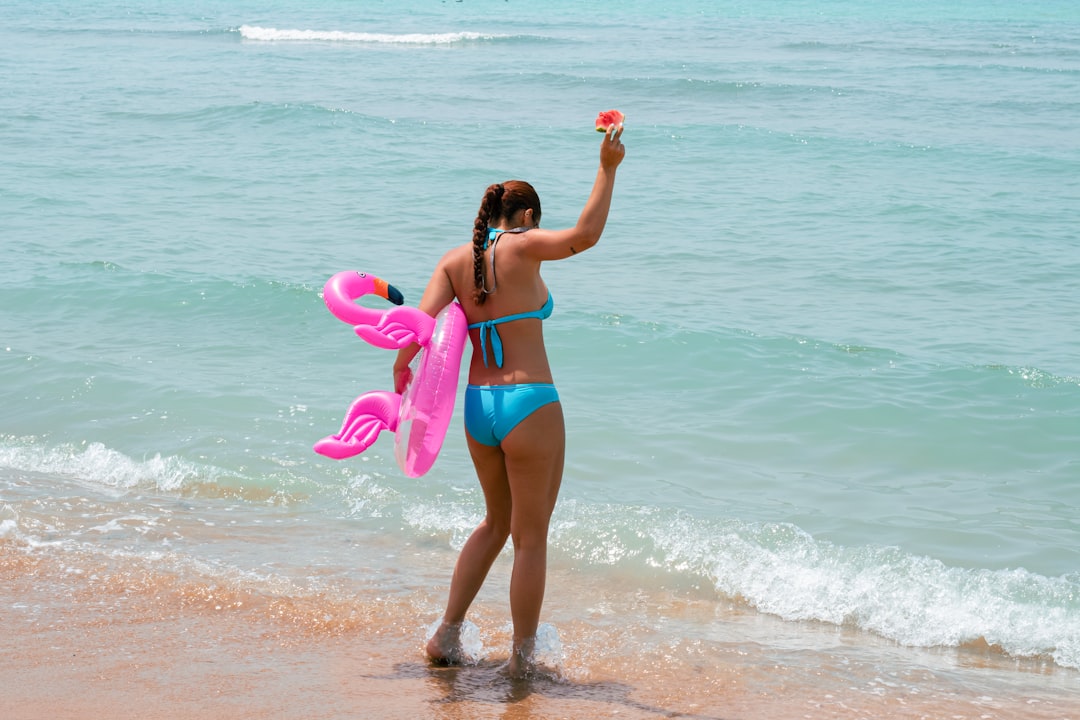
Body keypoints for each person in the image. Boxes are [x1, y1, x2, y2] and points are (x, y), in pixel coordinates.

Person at [393, 123, 626, 678]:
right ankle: (522, 659)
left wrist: (400, 369)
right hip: (530, 404)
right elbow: (587, 234)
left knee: (495, 524)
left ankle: (446, 633)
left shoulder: (454, 262)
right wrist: (608, 167)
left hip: (479, 409)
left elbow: (418, 330)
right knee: (531, 537)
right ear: (525, 219)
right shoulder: (524, 247)